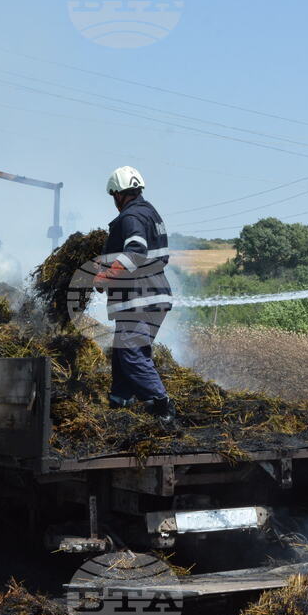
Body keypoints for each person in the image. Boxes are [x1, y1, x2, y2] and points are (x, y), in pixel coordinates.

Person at [93, 166, 176, 424]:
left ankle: (163, 409)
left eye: (113, 197)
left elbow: (136, 251)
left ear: (118, 194)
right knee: (123, 352)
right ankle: (120, 402)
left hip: (139, 297)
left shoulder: (131, 217)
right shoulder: (151, 213)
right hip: (153, 293)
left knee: (131, 352)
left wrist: (105, 276)